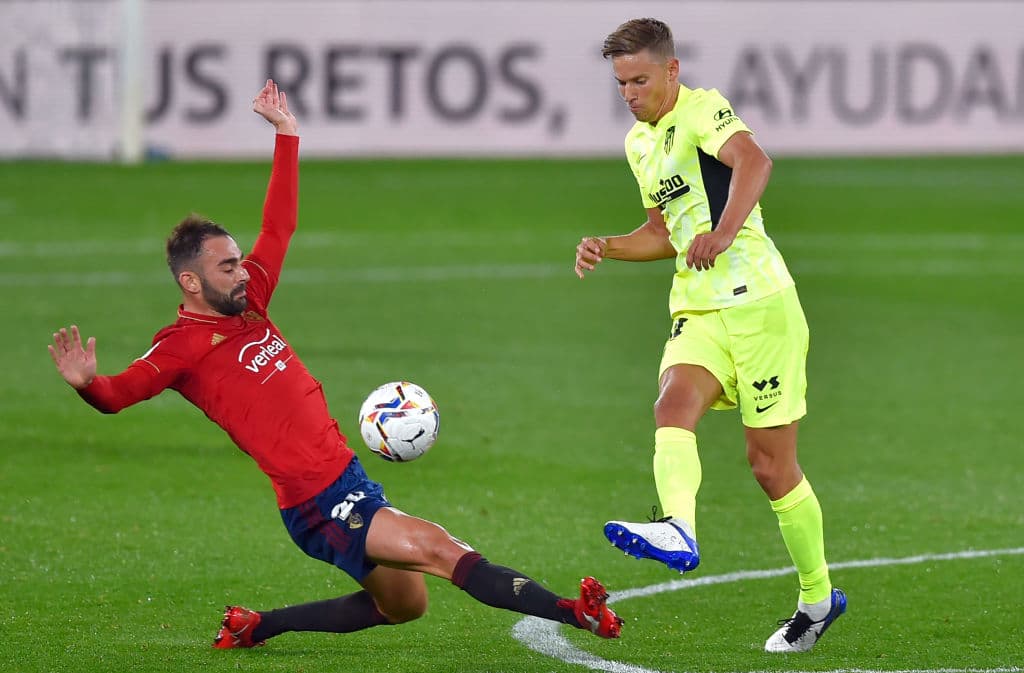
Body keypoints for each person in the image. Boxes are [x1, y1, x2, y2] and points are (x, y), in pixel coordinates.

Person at [48, 79, 622, 649]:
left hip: (346, 476)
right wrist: (87, 385)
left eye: (239, 260)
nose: (243, 270)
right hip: (315, 501)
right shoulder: (181, 346)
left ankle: (258, 626)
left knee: (406, 605)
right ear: (191, 281)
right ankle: (576, 613)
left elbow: (279, 226)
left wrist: (288, 135)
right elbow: (121, 392)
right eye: (227, 267)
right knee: (442, 551)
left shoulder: (253, 299)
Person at [574, 19, 845, 653]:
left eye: (640, 79)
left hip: (762, 308)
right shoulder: (639, 145)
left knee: (770, 467)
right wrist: (608, 246)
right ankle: (677, 528)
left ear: (672, 70)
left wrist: (722, 233)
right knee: (671, 405)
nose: (630, 93)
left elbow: (755, 160)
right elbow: (665, 231)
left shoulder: (703, 110)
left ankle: (817, 596)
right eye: (621, 83)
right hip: (698, 308)